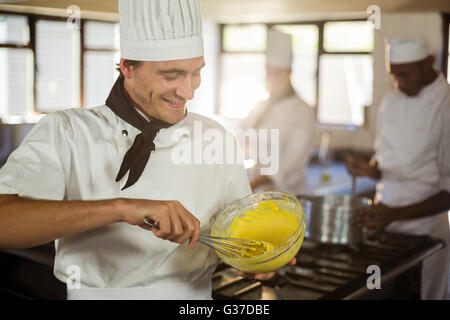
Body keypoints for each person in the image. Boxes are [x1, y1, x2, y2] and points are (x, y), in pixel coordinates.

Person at [0, 0, 291, 300]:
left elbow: (238, 238)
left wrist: (257, 260)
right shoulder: (68, 132)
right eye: (171, 75)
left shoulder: (216, 139)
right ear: (128, 67)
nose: (189, 92)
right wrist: (122, 208)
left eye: (196, 72)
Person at [346, 37, 450, 300]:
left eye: (406, 74)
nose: (400, 83)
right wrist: (367, 169)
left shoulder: (445, 105)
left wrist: (396, 213)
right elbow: (387, 167)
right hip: (384, 225)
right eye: (395, 76)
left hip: (424, 230)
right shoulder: (391, 102)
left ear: (429, 63)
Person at [242, 28, 316, 196]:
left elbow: (293, 163)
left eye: (277, 73)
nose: (272, 78)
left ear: (289, 73)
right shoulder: (261, 105)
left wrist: (254, 183)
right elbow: (241, 139)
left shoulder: (302, 111)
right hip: (259, 195)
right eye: (269, 72)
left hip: (288, 198)